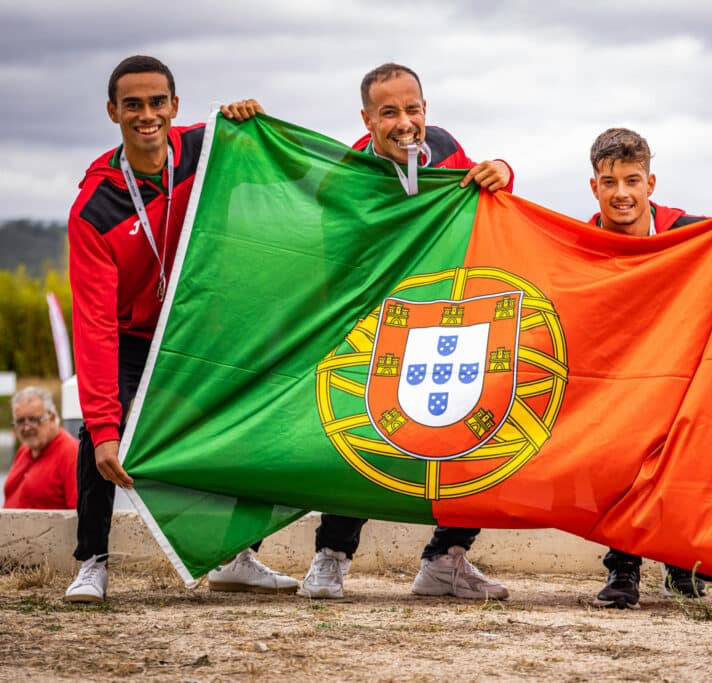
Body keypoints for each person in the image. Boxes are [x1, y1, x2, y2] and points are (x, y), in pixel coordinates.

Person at [63, 55, 297, 602]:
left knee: (251, 417)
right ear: (112, 112)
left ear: (175, 105)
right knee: (101, 436)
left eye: (156, 103)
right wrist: (103, 428)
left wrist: (251, 120)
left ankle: (238, 557)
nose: (147, 115)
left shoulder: (202, 149)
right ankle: (91, 561)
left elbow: (262, 149)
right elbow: (94, 324)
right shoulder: (94, 210)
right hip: (128, 337)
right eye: (133, 105)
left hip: (192, 331)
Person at [298, 63, 512, 601]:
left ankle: (446, 558)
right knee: (363, 440)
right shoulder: (346, 175)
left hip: (445, 324)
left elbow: (488, 202)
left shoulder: (443, 145)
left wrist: (504, 169)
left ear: (426, 109)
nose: (404, 123)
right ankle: (331, 556)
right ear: (367, 118)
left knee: (479, 427)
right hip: (375, 326)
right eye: (389, 112)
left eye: (412, 109)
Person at [584, 127, 712, 609]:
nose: (621, 193)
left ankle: (681, 561)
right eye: (610, 181)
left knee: (688, 449)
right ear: (594, 186)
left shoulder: (691, 231)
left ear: (651, 183)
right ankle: (623, 568)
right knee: (620, 455)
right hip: (618, 380)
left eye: (632, 180)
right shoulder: (580, 243)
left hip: (678, 375)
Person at [4, 387, 78, 509]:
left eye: (34, 420)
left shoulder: (70, 452)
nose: (26, 428)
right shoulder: (25, 449)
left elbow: (78, 513)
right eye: (20, 421)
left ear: (52, 418)